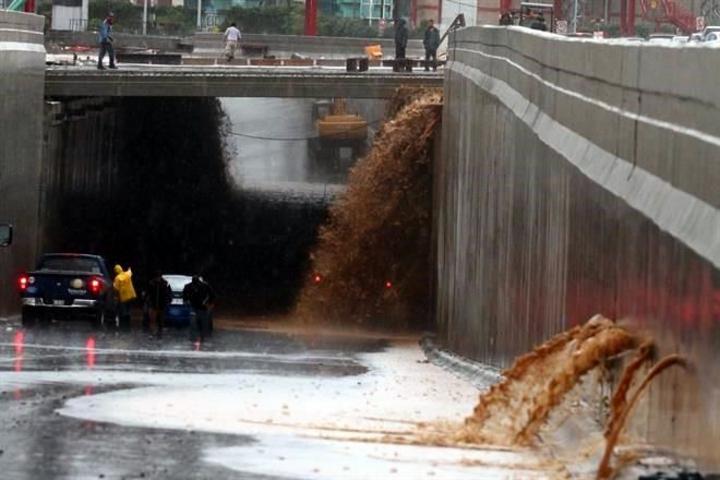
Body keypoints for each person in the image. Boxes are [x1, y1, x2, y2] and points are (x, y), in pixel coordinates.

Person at [182, 275, 216, 341]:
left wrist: (209, 303)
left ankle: (201, 336)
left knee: (202, 322)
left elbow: (212, 295)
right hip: (193, 306)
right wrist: (186, 301)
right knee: (193, 322)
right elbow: (184, 295)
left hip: (202, 307)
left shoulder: (205, 286)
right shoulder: (188, 286)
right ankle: (194, 337)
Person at [145, 270, 171, 338]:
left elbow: (168, 293)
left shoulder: (165, 283)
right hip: (153, 305)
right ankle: (152, 333)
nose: (158, 279)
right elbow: (148, 293)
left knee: (160, 320)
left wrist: (167, 301)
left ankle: (159, 333)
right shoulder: (152, 283)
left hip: (161, 305)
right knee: (152, 320)